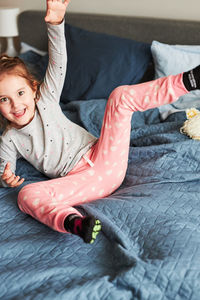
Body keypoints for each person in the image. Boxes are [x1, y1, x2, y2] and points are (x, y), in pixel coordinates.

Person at [0, 0, 198, 244]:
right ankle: (74, 222)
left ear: (33, 89)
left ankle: (187, 80)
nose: (15, 105)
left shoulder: (47, 99)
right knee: (25, 195)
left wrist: (55, 23)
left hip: (105, 159)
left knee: (120, 96)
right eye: (4, 99)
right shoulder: (9, 138)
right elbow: (4, 170)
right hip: (82, 182)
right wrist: (6, 179)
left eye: (20, 94)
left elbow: (58, 62)